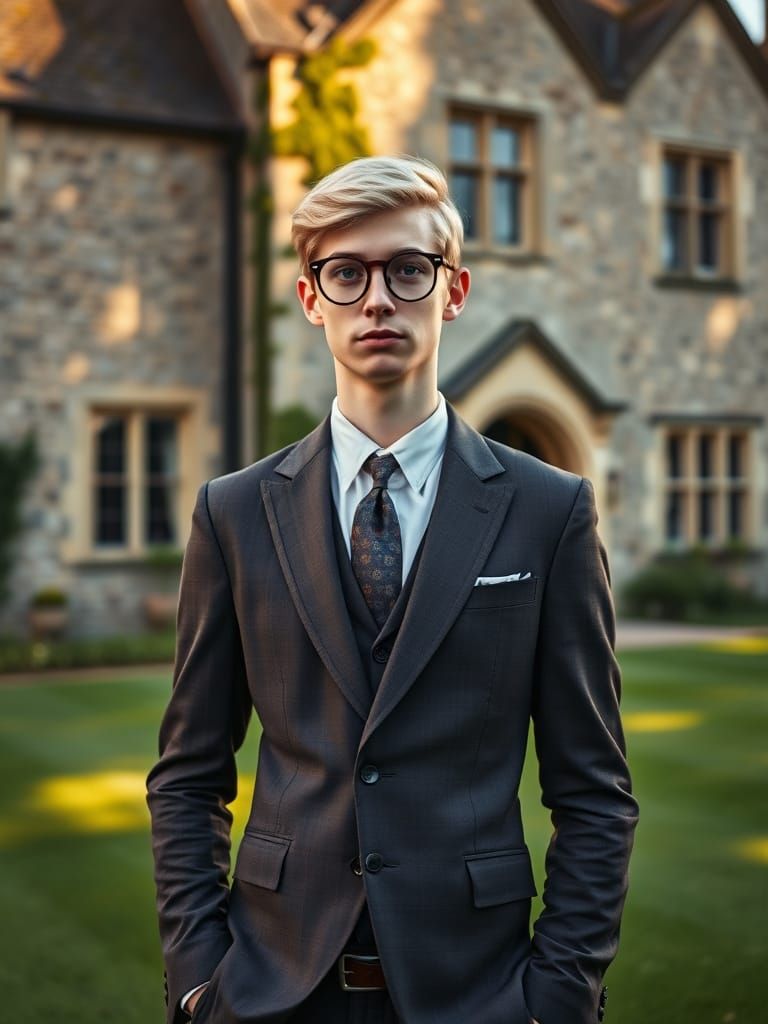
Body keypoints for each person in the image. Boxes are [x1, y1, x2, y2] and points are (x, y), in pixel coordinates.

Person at [147, 155, 638, 1024]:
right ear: (312, 299)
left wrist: (559, 995)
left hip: (479, 994)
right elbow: (189, 775)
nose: (378, 298)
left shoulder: (549, 511)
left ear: (452, 291)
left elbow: (594, 790)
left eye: (408, 270)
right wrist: (197, 975)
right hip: (271, 989)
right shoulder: (232, 514)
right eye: (347, 273)